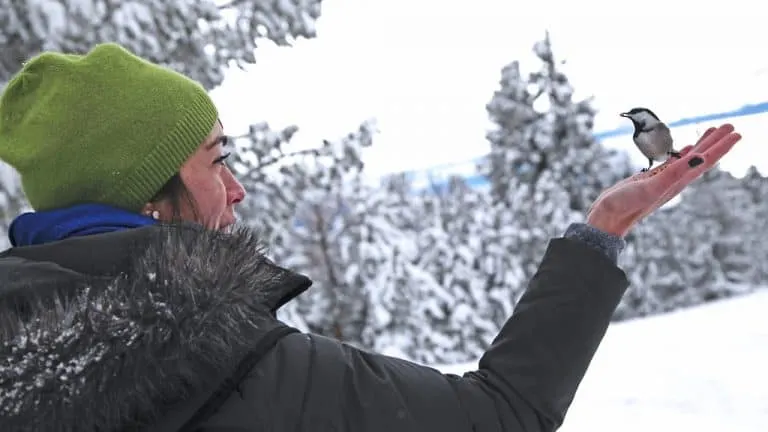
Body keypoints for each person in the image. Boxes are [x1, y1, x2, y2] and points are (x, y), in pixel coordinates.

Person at [0, 43, 742, 432]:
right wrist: (602, 230)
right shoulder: (225, 365)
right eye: (217, 159)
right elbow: (500, 416)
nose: (238, 188)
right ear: (145, 190)